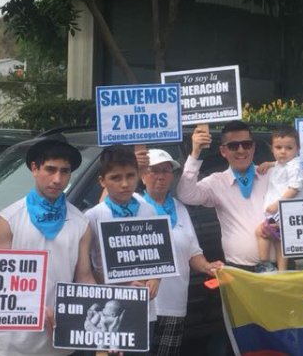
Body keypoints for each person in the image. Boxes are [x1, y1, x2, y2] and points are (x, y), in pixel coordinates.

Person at [0, 137, 94, 356]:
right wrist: (30, 307)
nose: (57, 179)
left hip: (60, 340)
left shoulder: (80, 222)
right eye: (50, 169)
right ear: (34, 168)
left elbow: (84, 277)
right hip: (11, 342)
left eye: (65, 171)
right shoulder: (8, 219)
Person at [140, 149, 224, 356]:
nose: (160, 176)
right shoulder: (132, 205)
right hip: (141, 304)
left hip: (174, 303)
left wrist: (208, 267)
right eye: (154, 170)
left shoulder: (180, 208)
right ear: (142, 176)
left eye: (166, 171)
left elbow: (193, 252)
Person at [176, 121, 272, 271]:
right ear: (223, 151)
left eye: (246, 144)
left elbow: (299, 185)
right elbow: (186, 195)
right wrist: (195, 154)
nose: (241, 150)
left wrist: (277, 164)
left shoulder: (272, 175)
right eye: (233, 146)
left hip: (279, 268)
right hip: (240, 270)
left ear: (253, 147)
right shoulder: (217, 182)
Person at [83, 146, 160, 301]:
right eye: (116, 178)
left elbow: (159, 255)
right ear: (102, 181)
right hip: (109, 300)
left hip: (146, 300)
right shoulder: (92, 216)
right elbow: (86, 268)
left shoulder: (148, 210)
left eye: (130, 176)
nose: (125, 184)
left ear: (138, 175)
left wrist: (156, 279)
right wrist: (121, 284)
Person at [255, 127, 303, 272]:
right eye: (278, 147)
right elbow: (278, 164)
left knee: (261, 231)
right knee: (279, 240)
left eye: (289, 148)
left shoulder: (295, 166)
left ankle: (265, 263)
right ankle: (282, 270)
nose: (283, 152)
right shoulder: (283, 163)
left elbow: (294, 188)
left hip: (283, 210)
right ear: (272, 149)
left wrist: (277, 205)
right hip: (283, 211)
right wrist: (269, 164)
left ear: (297, 149)